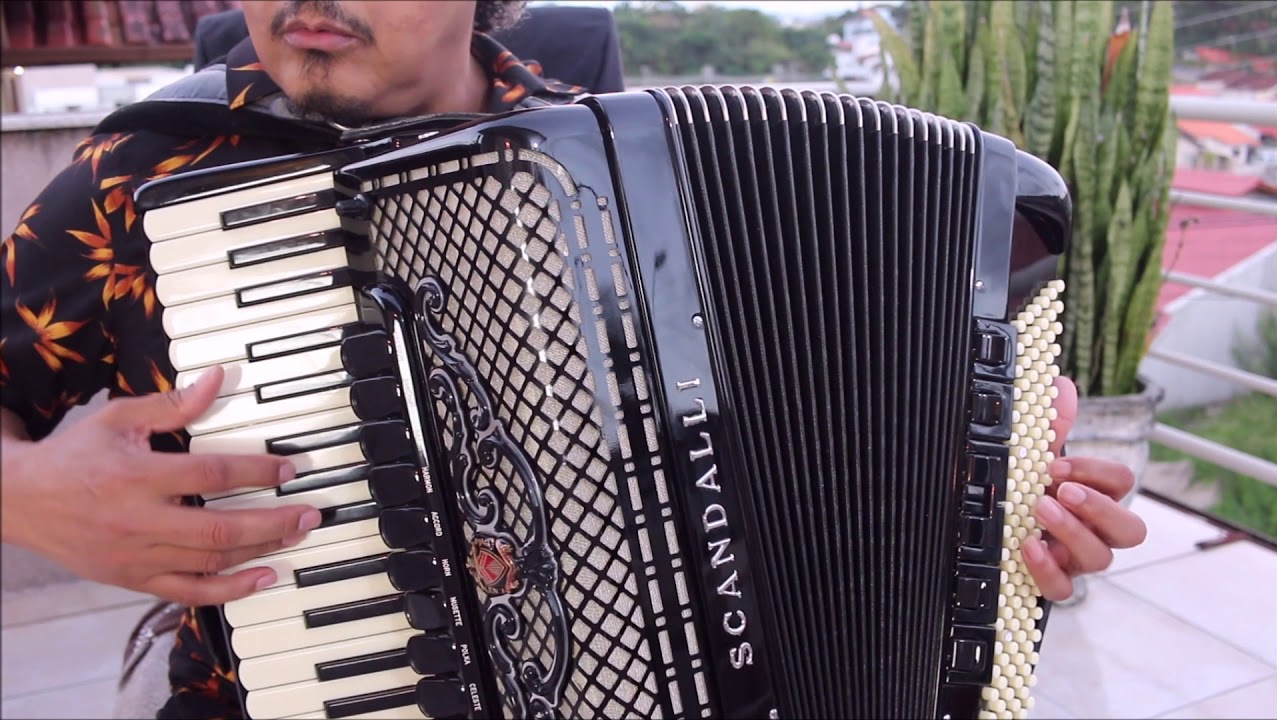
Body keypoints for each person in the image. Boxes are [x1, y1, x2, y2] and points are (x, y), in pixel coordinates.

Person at [0, 1, 1147, 718]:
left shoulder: (625, 164)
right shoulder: (135, 184)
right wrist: (28, 493)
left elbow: (781, 469)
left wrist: (990, 519)